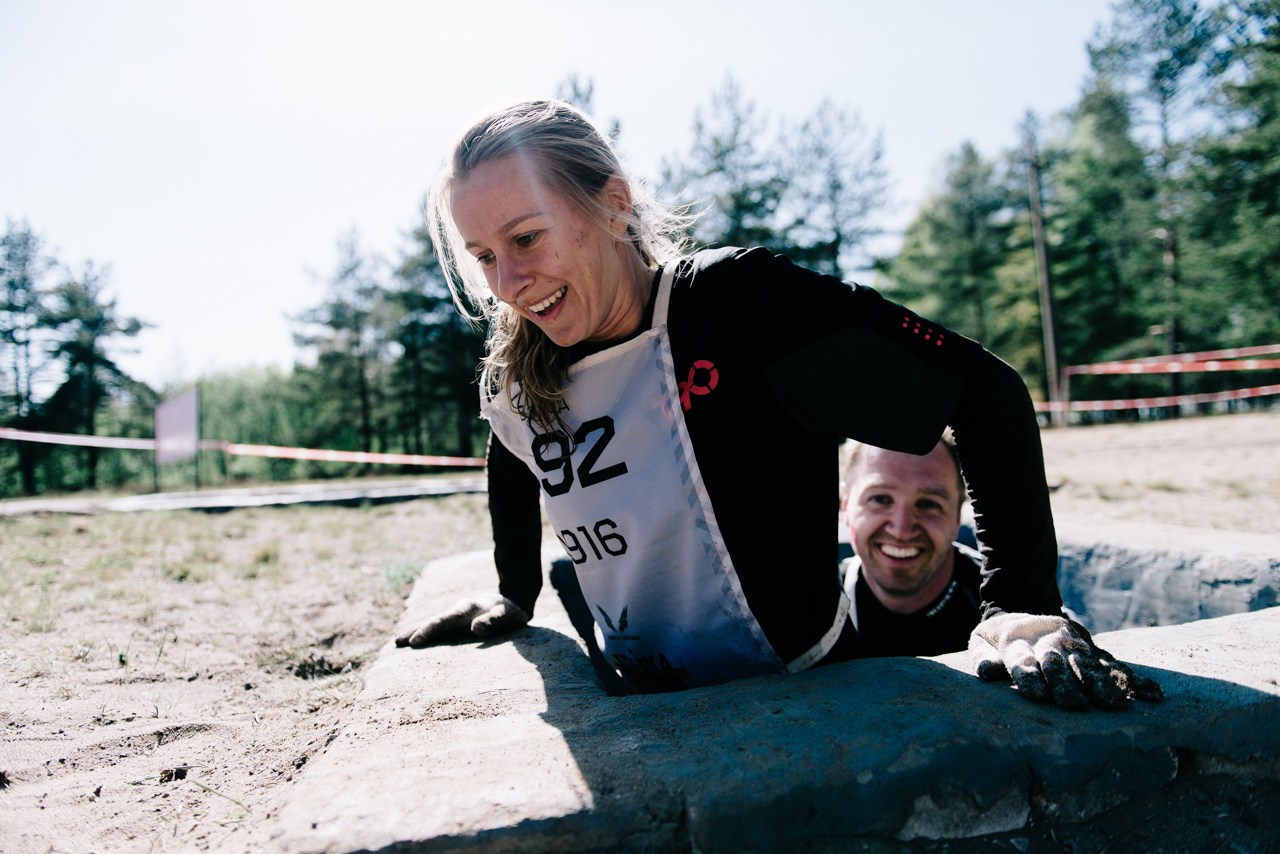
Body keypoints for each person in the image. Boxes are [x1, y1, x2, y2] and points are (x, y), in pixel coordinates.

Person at [395, 99, 1161, 710]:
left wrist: (1019, 607)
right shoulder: (515, 370)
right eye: (484, 257)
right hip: (641, 710)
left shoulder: (734, 306)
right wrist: (512, 590)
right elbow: (512, 453)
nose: (507, 284)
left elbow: (984, 393)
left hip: (809, 698)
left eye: (526, 238)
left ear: (614, 207)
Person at [838, 436, 983, 658]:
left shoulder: (1006, 601)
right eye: (880, 499)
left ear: (957, 516)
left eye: (928, 504)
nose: (901, 531)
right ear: (846, 506)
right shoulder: (809, 607)